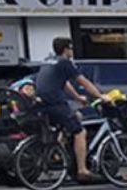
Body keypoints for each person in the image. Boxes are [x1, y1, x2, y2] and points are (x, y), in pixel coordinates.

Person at [32, 37, 109, 180]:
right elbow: (84, 82)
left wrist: (77, 98)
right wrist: (100, 96)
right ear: (66, 49)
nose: (72, 51)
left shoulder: (49, 60)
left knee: (77, 116)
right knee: (80, 131)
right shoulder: (65, 63)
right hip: (55, 102)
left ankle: (58, 151)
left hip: (43, 103)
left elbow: (65, 83)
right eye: (71, 48)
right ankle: (82, 170)